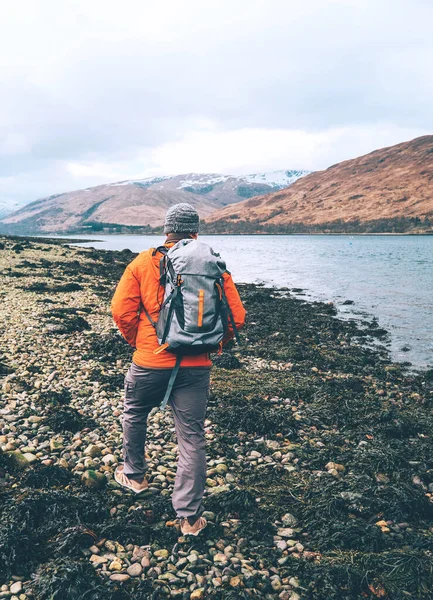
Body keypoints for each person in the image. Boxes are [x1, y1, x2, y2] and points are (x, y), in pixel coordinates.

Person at [111, 203, 246, 536]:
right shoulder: (213, 266)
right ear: (196, 232)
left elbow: (121, 312)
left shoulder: (143, 262)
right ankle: (189, 518)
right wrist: (210, 346)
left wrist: (141, 344)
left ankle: (136, 476)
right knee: (192, 437)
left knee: (134, 413)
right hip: (196, 367)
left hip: (150, 360)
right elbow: (236, 317)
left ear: (166, 230)